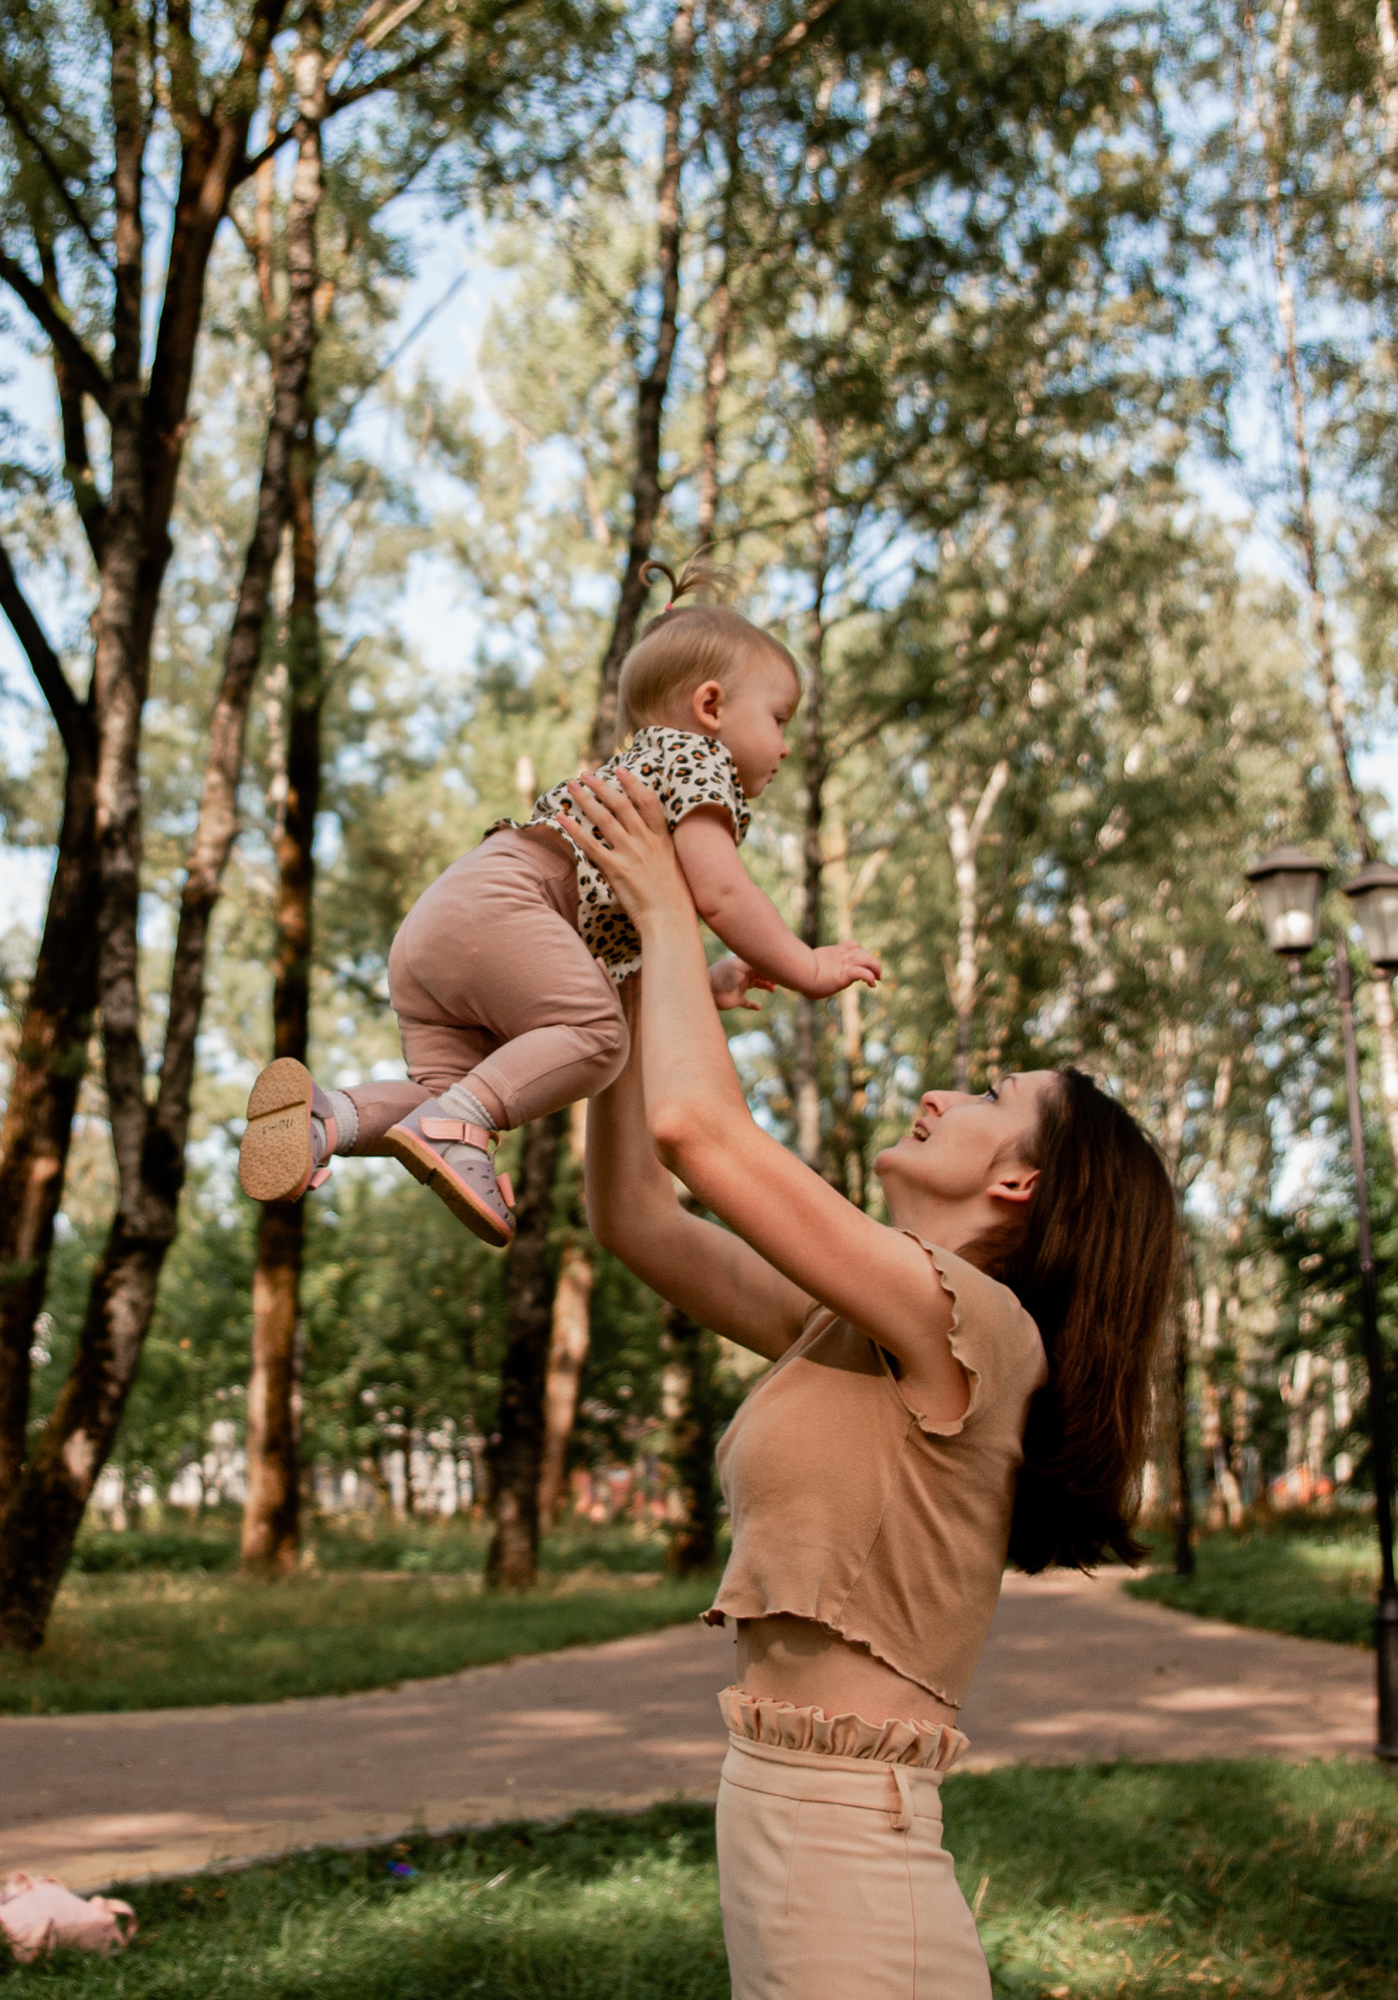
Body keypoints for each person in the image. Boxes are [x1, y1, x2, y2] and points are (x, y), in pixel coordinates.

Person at [562, 765, 1179, 2000]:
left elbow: (703, 1131)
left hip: (853, 1850)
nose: (943, 1091)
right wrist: (629, 972)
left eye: (992, 1097)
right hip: (785, 1819)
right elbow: (638, 1211)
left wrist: (675, 915)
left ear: (1020, 1185)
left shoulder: (978, 1325)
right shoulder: (856, 1320)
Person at [236, 560, 878, 1246]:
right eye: (779, 718)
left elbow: (630, 935)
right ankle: (459, 1125)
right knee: (599, 1040)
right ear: (712, 707)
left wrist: (709, 978)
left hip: (445, 922)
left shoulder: (641, 769)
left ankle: (325, 1121)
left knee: (447, 1095)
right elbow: (723, 895)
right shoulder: (699, 762)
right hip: (509, 906)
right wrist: (805, 965)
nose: (784, 746)